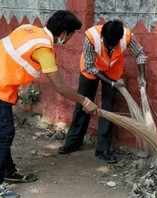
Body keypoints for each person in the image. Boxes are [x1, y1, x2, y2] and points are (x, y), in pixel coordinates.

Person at [0, 10, 97, 198]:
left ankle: (8, 171)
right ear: (64, 33)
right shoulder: (43, 50)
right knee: (4, 132)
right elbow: (60, 87)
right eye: (72, 34)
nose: (71, 39)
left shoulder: (29, 29)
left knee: (5, 130)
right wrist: (84, 101)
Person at [59, 20, 148, 164]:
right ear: (102, 36)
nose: (111, 47)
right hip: (90, 70)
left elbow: (140, 54)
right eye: (108, 43)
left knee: (108, 109)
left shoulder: (126, 36)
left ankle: (103, 150)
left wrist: (142, 76)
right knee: (84, 104)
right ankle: (73, 143)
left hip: (113, 71)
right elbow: (89, 66)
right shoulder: (91, 36)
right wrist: (111, 82)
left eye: (114, 44)